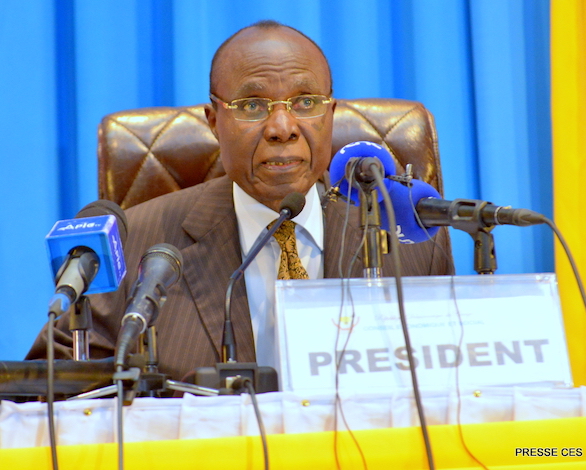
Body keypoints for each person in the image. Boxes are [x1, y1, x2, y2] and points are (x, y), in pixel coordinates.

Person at [27, 20, 453, 384]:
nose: (282, 127)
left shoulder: (416, 243)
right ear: (214, 122)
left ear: (330, 114)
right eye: (252, 105)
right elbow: (49, 391)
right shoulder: (135, 243)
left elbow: (455, 388)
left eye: (306, 103)